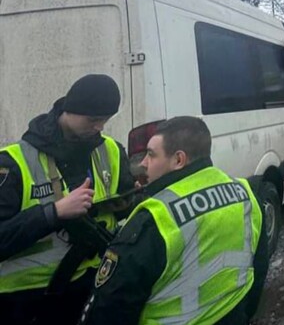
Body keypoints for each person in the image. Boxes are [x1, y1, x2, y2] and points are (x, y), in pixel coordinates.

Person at [79, 116, 268, 324]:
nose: (143, 163)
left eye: (151, 154)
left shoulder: (154, 219)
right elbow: (258, 268)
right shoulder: (245, 193)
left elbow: (109, 310)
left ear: (179, 160)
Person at [0, 74, 134, 325]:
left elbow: (124, 210)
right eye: (92, 119)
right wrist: (54, 213)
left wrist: (128, 203)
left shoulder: (111, 150)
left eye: (105, 119)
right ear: (69, 110)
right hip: (22, 299)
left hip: (88, 287)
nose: (99, 127)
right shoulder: (12, 163)